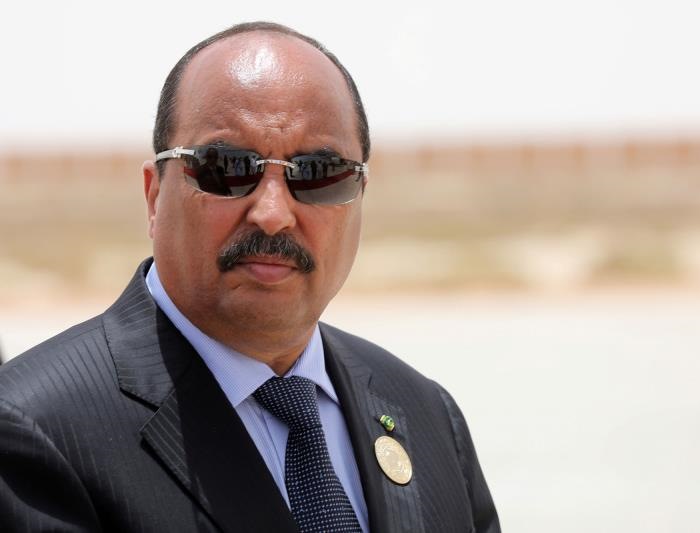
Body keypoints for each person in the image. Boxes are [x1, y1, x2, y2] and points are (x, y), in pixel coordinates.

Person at [0, 22, 499, 533]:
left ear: (359, 196)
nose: (273, 214)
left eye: (318, 173)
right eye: (227, 167)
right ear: (154, 195)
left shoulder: (426, 416)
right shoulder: (33, 436)